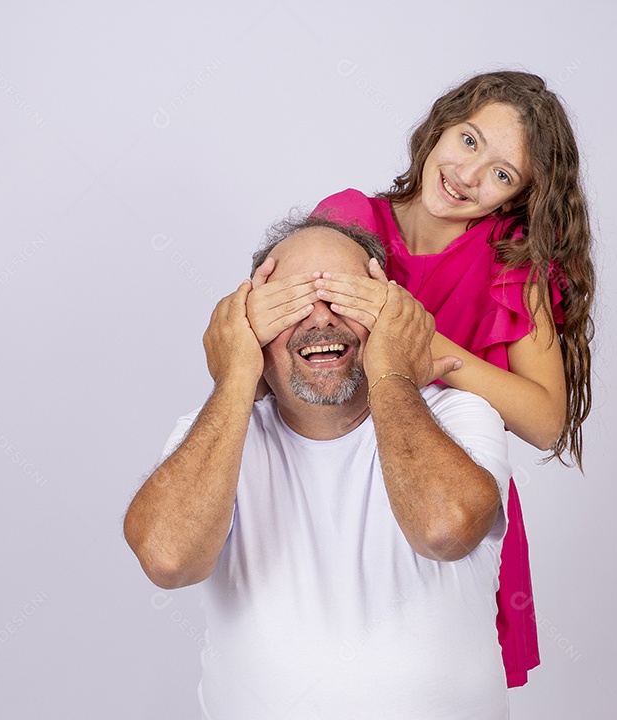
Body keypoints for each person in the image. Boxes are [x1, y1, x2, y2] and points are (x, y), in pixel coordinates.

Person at [246, 71, 595, 687]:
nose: (468, 174)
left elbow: (545, 421)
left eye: (502, 173)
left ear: (518, 197)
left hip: (448, 480)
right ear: (441, 126)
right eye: (468, 140)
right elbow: (271, 353)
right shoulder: (350, 218)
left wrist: (429, 348)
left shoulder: (513, 262)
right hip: (340, 471)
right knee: (323, 659)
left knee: (434, 671)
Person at [125, 216, 513, 719]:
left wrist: (391, 367)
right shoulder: (217, 432)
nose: (321, 319)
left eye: (347, 297)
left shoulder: (460, 416)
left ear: (388, 314)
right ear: (249, 326)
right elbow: (167, 559)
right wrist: (236, 374)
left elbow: (444, 531)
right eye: (290, 302)